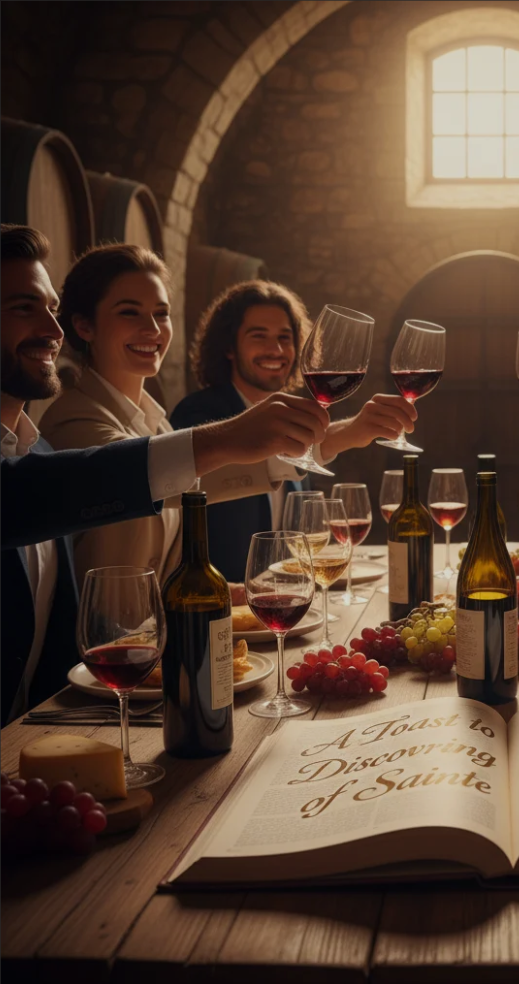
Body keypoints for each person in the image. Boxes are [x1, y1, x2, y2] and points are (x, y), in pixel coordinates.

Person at [0, 225, 330, 722]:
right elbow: (92, 481)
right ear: (86, 325)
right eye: (24, 308)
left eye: (161, 314)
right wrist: (226, 440)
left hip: (87, 706)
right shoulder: (68, 428)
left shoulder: (43, 444)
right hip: (105, 691)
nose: (52, 329)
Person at [38, 245, 342, 584]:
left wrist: (226, 593)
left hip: (156, 634)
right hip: (101, 637)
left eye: (161, 313)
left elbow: (193, 498)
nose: (152, 328)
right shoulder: (73, 419)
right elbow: (142, 476)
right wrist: (238, 434)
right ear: (84, 325)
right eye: (129, 312)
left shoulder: (156, 422)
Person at [170, 280, 416, 580]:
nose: (275, 350)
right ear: (229, 347)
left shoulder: (295, 418)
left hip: (285, 600)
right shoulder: (199, 414)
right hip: (223, 606)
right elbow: (219, 480)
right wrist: (345, 432)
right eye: (258, 336)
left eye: (284, 338)